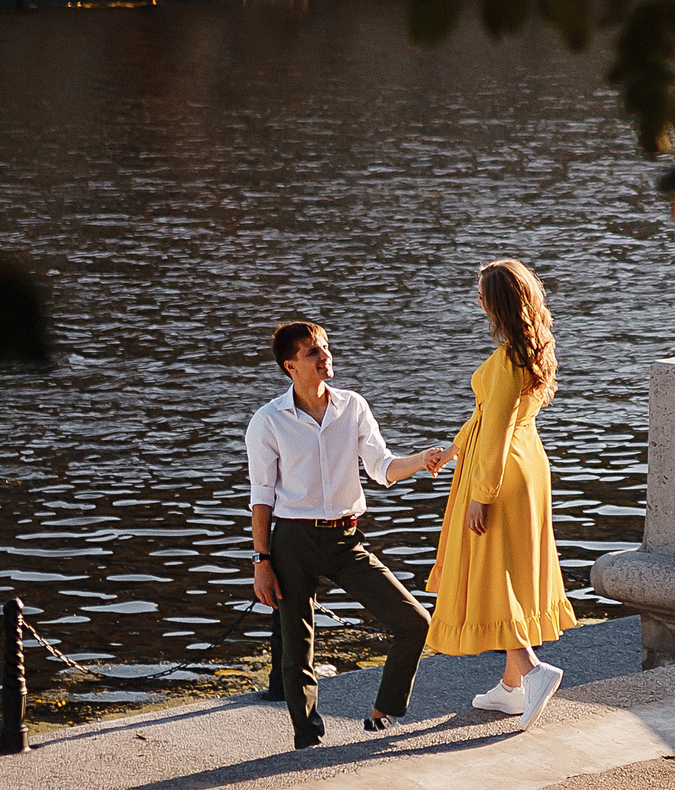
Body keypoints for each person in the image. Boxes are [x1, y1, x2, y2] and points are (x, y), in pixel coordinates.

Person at [246, 319, 454, 750]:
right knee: (297, 650)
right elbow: (261, 497)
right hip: (293, 542)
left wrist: (422, 459)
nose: (325, 356)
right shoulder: (268, 421)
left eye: (325, 346)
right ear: (290, 366)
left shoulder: (352, 406)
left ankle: (384, 711)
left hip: (346, 539)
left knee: (414, 622)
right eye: (312, 352)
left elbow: (381, 468)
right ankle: (307, 740)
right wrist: (261, 561)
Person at [424, 259, 578, 728]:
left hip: (502, 472)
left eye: (483, 296)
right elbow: (487, 415)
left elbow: (496, 428)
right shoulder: (534, 349)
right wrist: (453, 449)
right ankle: (511, 689)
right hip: (527, 462)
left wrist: (481, 494)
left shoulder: (510, 358)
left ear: (498, 304)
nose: (478, 302)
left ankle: (530, 669)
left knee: (494, 574)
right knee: (510, 570)